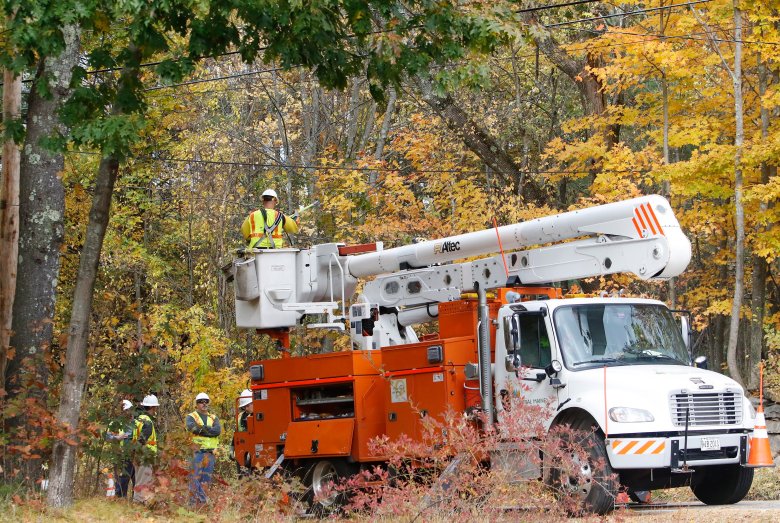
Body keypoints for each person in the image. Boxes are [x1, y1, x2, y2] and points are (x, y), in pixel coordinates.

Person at [186, 392, 221, 505]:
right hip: (197, 453)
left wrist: (203, 429)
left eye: (206, 401)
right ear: (196, 404)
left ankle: (202, 506)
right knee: (194, 479)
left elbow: (217, 431)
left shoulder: (213, 417)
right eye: (201, 401)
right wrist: (210, 431)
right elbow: (193, 428)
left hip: (210, 453)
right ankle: (193, 504)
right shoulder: (191, 416)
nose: (204, 403)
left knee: (206, 481)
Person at [105, 399, 137, 498]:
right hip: (119, 456)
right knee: (122, 480)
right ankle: (120, 499)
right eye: (126, 410)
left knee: (136, 480)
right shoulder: (115, 423)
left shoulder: (136, 423)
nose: (128, 412)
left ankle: (136, 501)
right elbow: (107, 437)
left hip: (134, 455)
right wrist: (117, 437)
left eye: (129, 410)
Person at [133, 395, 159, 504]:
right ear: (153, 407)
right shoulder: (147, 421)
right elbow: (142, 439)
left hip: (138, 453)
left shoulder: (138, 420)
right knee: (144, 481)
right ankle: (140, 504)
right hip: (145, 454)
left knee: (139, 480)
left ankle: (138, 503)